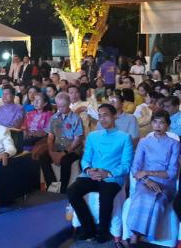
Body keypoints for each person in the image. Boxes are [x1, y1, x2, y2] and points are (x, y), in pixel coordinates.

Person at [67, 103, 133, 243]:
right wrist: (88, 170)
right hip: (91, 174)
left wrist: (108, 173)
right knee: (72, 191)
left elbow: (126, 165)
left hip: (112, 177)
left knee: (105, 197)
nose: (102, 119)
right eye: (100, 116)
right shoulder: (93, 136)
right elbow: (86, 159)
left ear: (114, 116)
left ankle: (103, 232)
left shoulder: (125, 137)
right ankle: (88, 228)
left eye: (106, 115)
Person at [126, 110, 180, 246]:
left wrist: (148, 172)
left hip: (166, 183)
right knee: (142, 196)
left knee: (157, 202)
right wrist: (146, 180)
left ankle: (147, 236)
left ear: (167, 125)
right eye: (155, 122)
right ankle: (134, 236)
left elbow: (172, 173)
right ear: (151, 124)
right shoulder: (144, 142)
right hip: (145, 181)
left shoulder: (174, 144)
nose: (158, 125)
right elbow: (135, 167)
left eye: (162, 123)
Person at [32, 92, 84, 194]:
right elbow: (50, 137)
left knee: (65, 161)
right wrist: (51, 152)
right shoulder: (54, 117)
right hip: (58, 147)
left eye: (63, 106)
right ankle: (52, 185)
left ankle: (62, 190)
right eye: (59, 106)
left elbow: (77, 140)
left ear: (68, 104)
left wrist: (64, 153)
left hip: (73, 149)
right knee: (43, 157)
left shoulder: (76, 118)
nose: (61, 109)